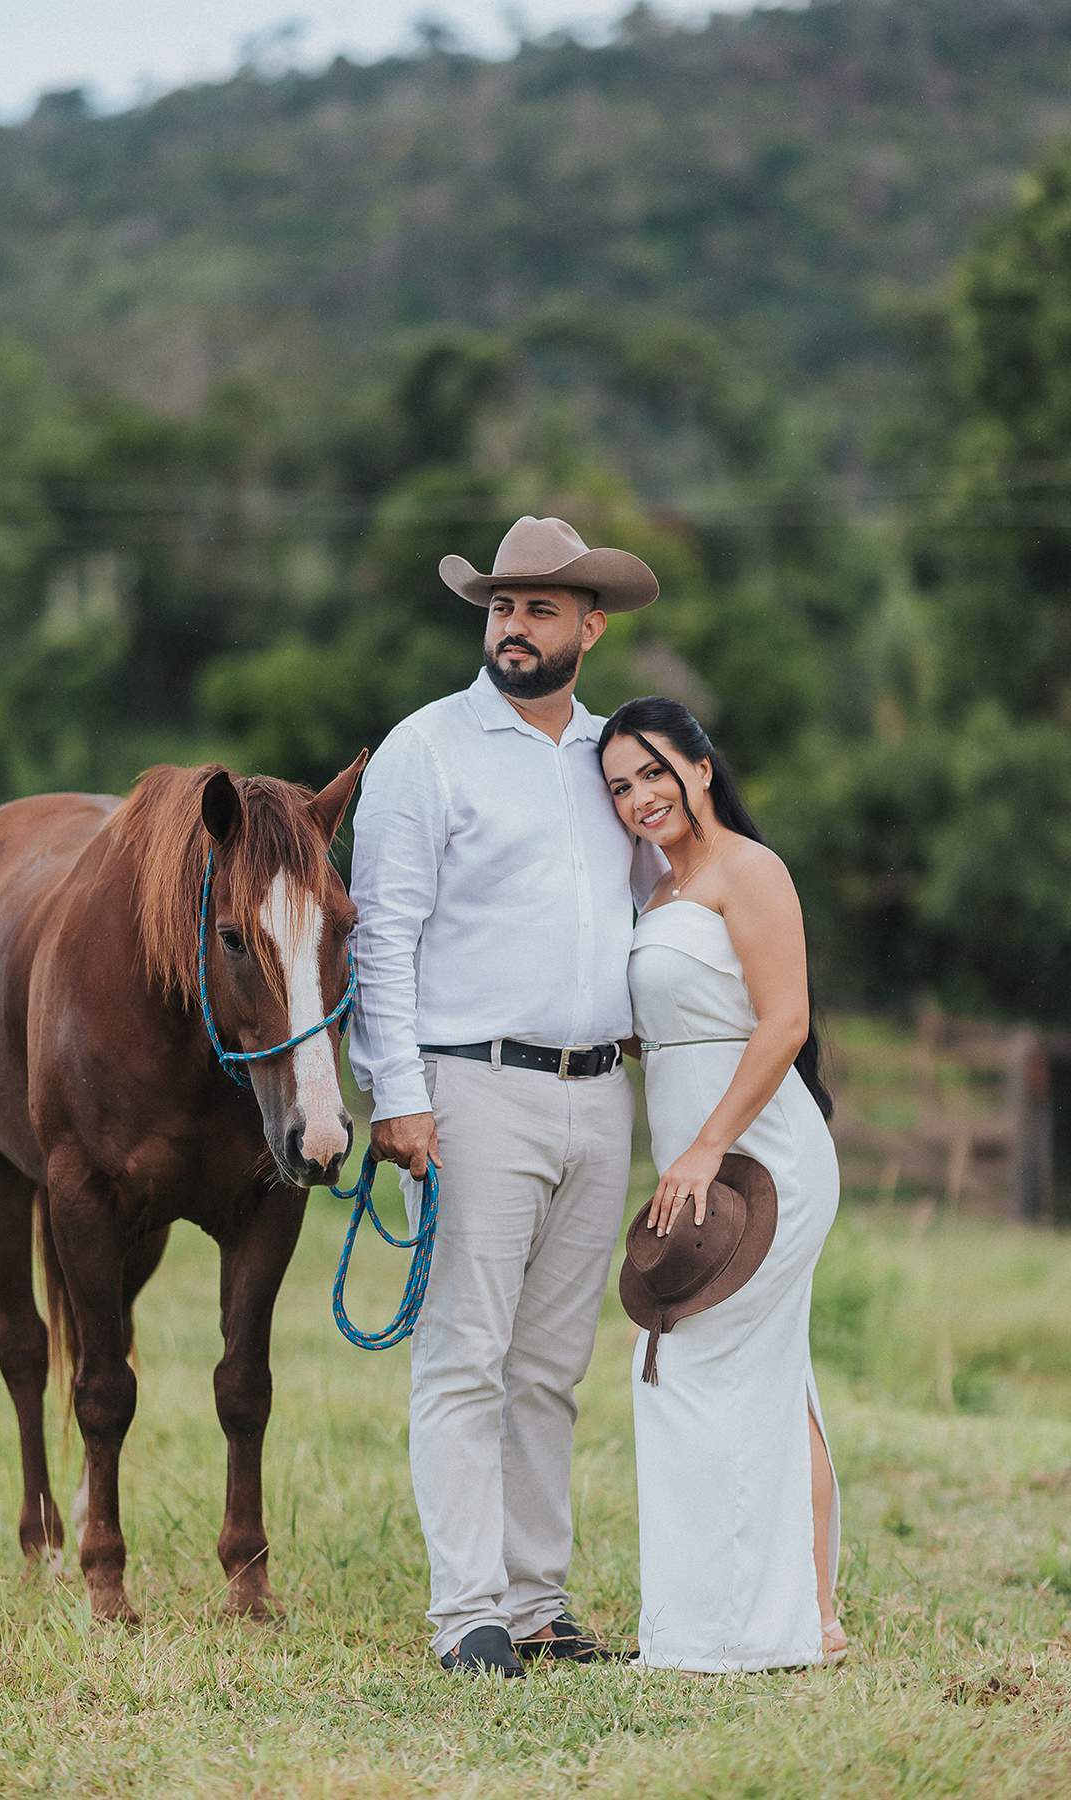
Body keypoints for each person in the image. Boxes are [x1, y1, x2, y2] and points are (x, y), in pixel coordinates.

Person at [349, 516, 663, 1676]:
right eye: (501, 606)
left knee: (550, 1365)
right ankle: (467, 1614)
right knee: (465, 1354)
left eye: (539, 608)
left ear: (591, 625)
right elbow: (382, 938)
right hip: (473, 1088)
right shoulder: (424, 751)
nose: (514, 626)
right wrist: (398, 1093)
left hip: (598, 1093)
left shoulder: (612, 759)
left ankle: (538, 1602)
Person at [599, 696, 846, 1672]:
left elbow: (782, 1022)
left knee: (690, 1362)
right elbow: (677, 1019)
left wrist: (703, 1147)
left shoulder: (751, 870)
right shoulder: (657, 894)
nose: (638, 796)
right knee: (770, 1376)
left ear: (699, 765)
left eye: (653, 771)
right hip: (699, 1154)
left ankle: (735, 1626)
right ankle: (810, 1614)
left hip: (759, 1158)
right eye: (619, 785)